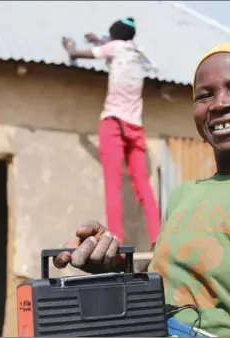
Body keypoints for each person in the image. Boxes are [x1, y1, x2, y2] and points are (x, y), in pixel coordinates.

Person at [54, 40, 230, 337]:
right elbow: (173, 293)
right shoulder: (184, 195)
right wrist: (113, 267)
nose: (219, 103)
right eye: (205, 95)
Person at [61, 17, 161, 247]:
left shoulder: (113, 48)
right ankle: (157, 236)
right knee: (143, 186)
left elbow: (81, 54)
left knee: (113, 184)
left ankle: (116, 238)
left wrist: (70, 47)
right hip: (135, 126)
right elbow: (116, 42)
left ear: (114, 36)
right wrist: (99, 39)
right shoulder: (138, 53)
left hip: (114, 123)